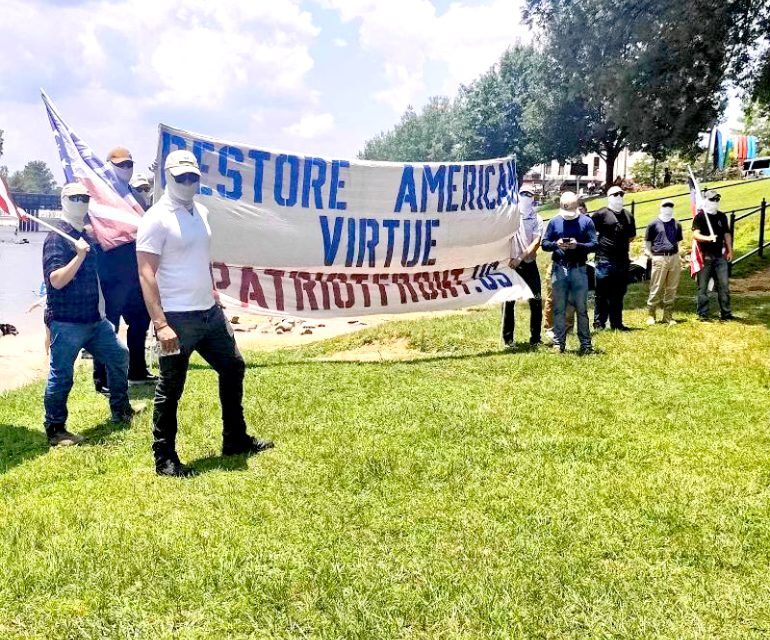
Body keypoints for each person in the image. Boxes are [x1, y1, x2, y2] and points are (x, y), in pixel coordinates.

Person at [136, 150, 274, 477]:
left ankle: (235, 438)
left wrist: (211, 291)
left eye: (192, 177)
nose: (187, 182)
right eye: (181, 177)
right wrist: (160, 324)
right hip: (176, 319)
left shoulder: (202, 211)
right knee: (171, 388)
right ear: (168, 178)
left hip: (208, 313)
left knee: (233, 366)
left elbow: (199, 256)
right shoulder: (155, 218)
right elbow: (145, 272)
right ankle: (165, 459)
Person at [42, 183, 136, 447]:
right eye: (75, 197)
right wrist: (79, 256)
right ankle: (56, 429)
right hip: (67, 321)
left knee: (119, 356)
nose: (81, 201)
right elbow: (56, 280)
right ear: (63, 200)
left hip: (95, 320)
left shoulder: (83, 234)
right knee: (61, 375)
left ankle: (121, 409)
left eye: (85, 197)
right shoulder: (57, 237)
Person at [92, 147, 156, 395]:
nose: (126, 169)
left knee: (140, 320)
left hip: (135, 270)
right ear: (109, 165)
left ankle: (137, 370)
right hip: (109, 272)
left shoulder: (134, 197)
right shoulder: (99, 195)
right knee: (109, 326)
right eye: (120, 164)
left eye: (129, 164)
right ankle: (103, 378)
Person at [541, 191, 598, 354]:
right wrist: (556, 244)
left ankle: (586, 344)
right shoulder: (554, 222)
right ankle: (559, 343)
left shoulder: (586, 222)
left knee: (581, 308)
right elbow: (544, 244)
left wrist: (578, 245)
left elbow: (595, 244)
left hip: (579, 268)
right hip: (559, 268)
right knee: (559, 307)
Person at [501, 188, 544, 347]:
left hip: (529, 264)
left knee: (536, 300)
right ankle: (508, 339)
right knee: (509, 302)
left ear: (533, 198)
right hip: (511, 265)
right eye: (523, 194)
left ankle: (535, 339)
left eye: (529, 194)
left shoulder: (537, 218)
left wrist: (521, 258)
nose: (526, 197)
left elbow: (536, 242)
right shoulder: (510, 216)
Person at [590, 185, 636, 331]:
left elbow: (632, 236)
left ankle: (617, 323)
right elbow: (590, 231)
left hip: (622, 260)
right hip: (604, 260)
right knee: (602, 293)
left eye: (621, 194)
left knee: (618, 293)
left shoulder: (628, 215)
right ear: (609, 197)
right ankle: (599, 323)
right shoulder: (601, 214)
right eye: (615, 194)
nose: (619, 197)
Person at [692, 189, 734, 320]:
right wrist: (708, 238)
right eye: (712, 199)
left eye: (717, 199)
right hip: (705, 257)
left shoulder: (722, 216)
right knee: (703, 287)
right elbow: (695, 234)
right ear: (705, 200)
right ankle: (702, 314)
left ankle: (726, 313)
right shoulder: (700, 216)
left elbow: (727, 234)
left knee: (724, 286)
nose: (715, 202)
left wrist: (730, 250)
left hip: (720, 257)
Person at [645, 199, 683, 325]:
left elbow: (678, 242)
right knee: (656, 287)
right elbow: (648, 243)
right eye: (665, 206)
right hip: (659, 258)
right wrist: (652, 256)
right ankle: (651, 315)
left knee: (671, 288)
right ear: (661, 207)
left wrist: (678, 256)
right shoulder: (653, 224)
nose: (668, 208)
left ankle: (668, 316)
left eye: (671, 206)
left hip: (674, 258)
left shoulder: (677, 224)